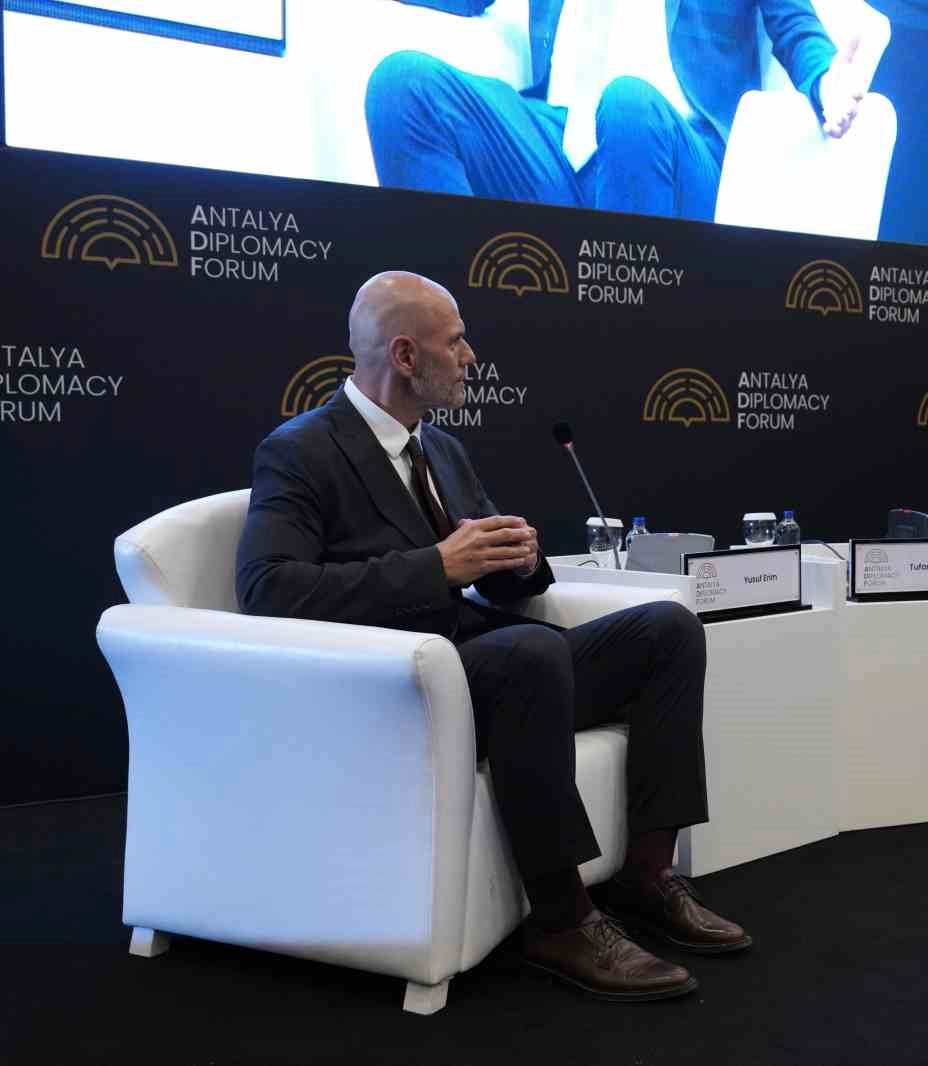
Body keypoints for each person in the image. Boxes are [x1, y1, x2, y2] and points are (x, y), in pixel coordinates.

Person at [236, 270, 748, 1002]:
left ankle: (646, 875)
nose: (471, 357)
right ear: (406, 355)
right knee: (527, 651)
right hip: (395, 687)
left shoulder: (441, 450)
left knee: (668, 628)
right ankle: (562, 920)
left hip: (491, 672)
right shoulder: (301, 449)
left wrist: (520, 558)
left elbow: (501, 582)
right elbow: (269, 589)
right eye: (456, 342)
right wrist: (436, 566)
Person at [364, 0, 868, 221]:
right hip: (558, 143)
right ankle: (449, 338)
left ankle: (625, 363)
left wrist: (826, 80)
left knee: (628, 105)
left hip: (675, 147)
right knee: (405, 84)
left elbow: (795, 26)